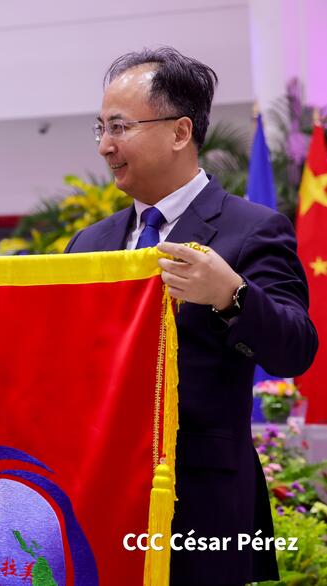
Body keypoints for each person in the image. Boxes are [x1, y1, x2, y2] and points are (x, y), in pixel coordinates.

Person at [65, 47, 318, 585]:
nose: (106, 145)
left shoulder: (252, 229)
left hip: (201, 504)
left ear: (181, 132)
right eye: (100, 128)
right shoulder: (92, 242)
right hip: (100, 495)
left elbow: (296, 348)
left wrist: (233, 297)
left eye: (120, 126)